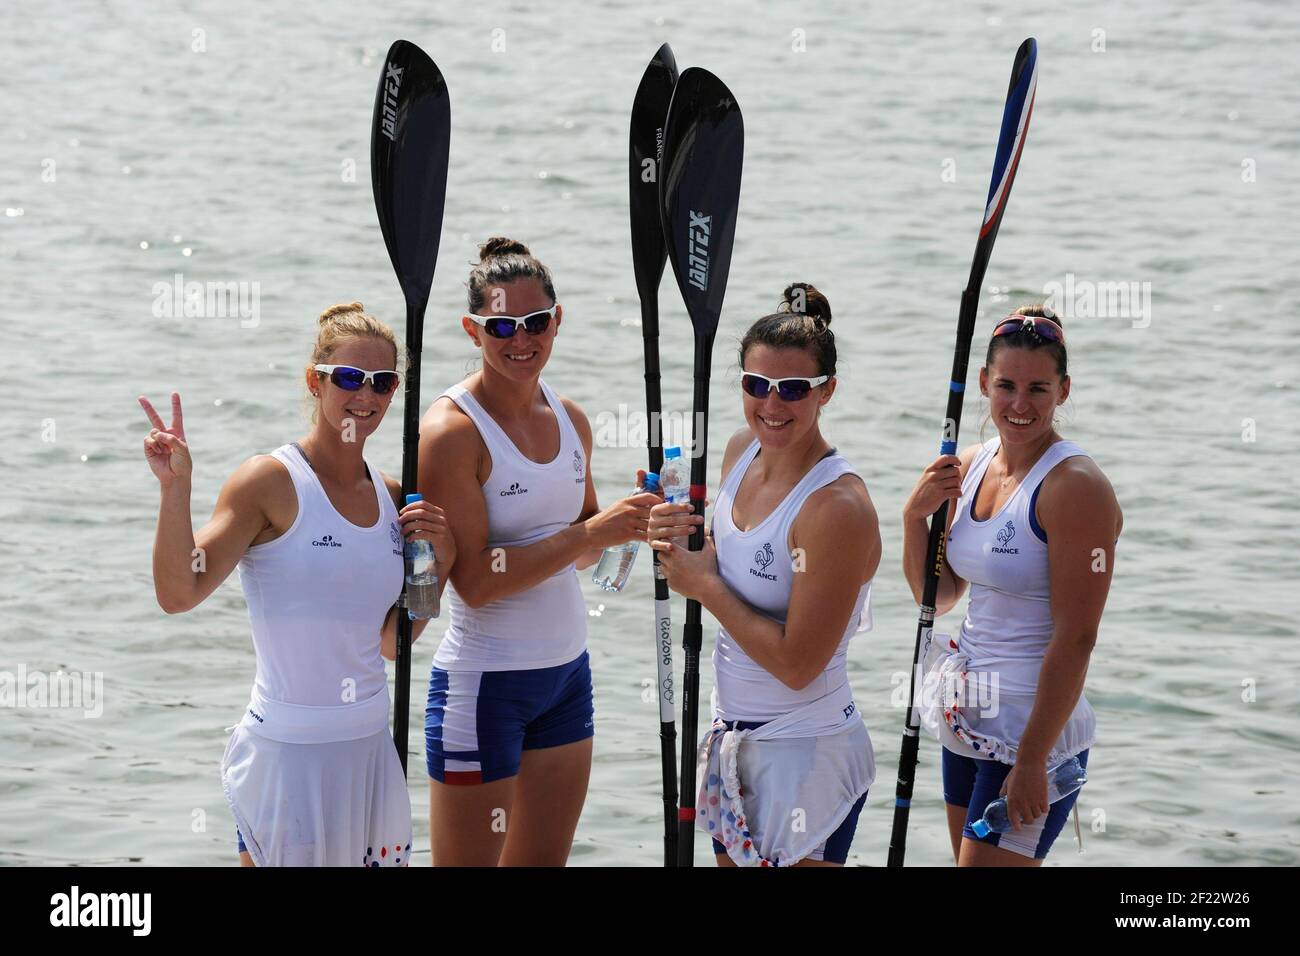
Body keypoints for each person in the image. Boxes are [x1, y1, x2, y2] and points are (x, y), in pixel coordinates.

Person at [140, 302, 455, 866]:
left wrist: (436, 562)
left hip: (367, 753)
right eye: (350, 379)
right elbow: (178, 593)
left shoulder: (392, 496)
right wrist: (174, 489)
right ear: (316, 381)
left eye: (382, 382)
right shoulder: (270, 481)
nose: (367, 395)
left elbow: (391, 643)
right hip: (287, 756)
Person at [418, 238, 659, 866]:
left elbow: (588, 558)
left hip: (566, 681)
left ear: (557, 321)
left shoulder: (571, 418)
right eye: (501, 325)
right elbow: (473, 581)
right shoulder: (451, 432)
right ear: (473, 329)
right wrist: (591, 534)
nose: (520, 339)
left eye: (534, 323)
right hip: (484, 687)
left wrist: (634, 527)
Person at [649, 283, 881, 867]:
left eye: (794, 390)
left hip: (808, 751)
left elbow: (799, 665)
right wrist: (672, 528)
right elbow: (720, 559)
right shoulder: (736, 453)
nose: (771, 405)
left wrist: (702, 586)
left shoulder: (836, 508)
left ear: (827, 390)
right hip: (736, 743)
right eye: (757, 386)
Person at [902, 304, 1122, 866]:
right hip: (970, 717)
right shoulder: (969, 466)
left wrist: (1031, 760)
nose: (1020, 405)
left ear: (1064, 390)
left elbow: (1078, 637)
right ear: (984, 383)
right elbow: (941, 595)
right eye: (1006, 386)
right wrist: (913, 518)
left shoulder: (1076, 487)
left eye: (1038, 388)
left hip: (1033, 733)